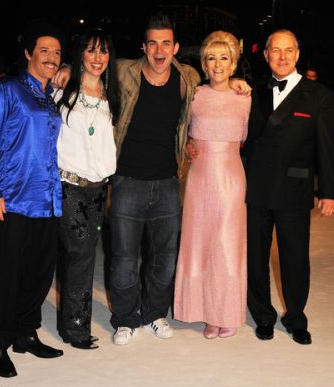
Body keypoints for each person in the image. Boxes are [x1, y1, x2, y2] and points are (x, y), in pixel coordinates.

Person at [53, 13, 249, 346]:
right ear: (144, 47)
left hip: (169, 182)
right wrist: (69, 69)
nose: (159, 50)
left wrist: (235, 84)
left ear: (175, 48)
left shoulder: (187, 79)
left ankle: (155, 313)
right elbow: (93, 66)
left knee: (165, 257)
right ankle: (126, 318)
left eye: (166, 43)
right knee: (124, 257)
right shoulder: (124, 71)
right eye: (153, 43)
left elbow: (214, 96)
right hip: (127, 179)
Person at [0, 22, 65, 378]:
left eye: (57, 52)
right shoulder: (6, 90)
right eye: (44, 51)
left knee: (38, 273)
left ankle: (26, 332)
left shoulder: (49, 96)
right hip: (11, 199)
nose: (52, 58)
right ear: (27, 53)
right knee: (3, 274)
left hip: (47, 199)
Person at [244, 29, 334, 345]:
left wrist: (328, 191)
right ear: (266, 54)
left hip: (294, 190)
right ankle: (263, 316)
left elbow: (327, 147)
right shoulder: (252, 90)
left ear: (297, 54)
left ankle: (296, 317)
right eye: (275, 50)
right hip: (255, 187)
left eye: (288, 50)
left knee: (295, 258)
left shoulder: (319, 95)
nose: (282, 56)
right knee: (256, 257)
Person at [173, 31, 251, 339]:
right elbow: (181, 131)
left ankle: (225, 311)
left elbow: (250, 139)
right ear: (203, 64)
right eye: (211, 58)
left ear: (233, 63)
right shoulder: (194, 94)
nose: (217, 65)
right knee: (199, 242)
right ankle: (202, 310)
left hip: (231, 178)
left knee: (227, 243)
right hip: (199, 178)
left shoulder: (245, 97)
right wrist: (189, 145)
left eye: (224, 58)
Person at [54, 28, 119, 350]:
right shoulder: (63, 89)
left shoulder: (114, 94)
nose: (97, 58)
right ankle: (75, 328)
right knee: (79, 253)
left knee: (84, 255)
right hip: (69, 186)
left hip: (99, 190)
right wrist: (64, 68)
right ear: (81, 53)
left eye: (104, 51)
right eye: (91, 50)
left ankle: (74, 321)